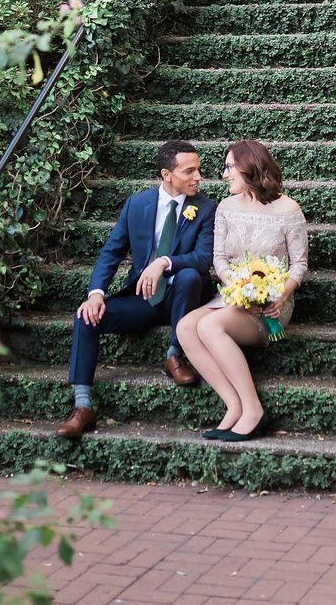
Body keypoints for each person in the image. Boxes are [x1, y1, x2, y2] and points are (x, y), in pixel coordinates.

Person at [55, 139, 216, 439]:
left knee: (190, 276)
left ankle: (174, 354)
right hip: (144, 299)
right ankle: (82, 406)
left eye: (199, 170)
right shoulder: (137, 204)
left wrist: (163, 262)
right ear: (167, 175)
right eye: (189, 171)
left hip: (185, 297)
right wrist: (96, 294)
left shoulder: (205, 208)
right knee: (86, 316)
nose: (198, 178)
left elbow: (204, 258)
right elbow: (111, 253)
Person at [177, 139, 308, 442]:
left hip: (272, 305)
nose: (223, 175)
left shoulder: (288, 209)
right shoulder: (225, 207)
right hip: (233, 297)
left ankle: (253, 409)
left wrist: (280, 296)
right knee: (185, 327)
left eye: (228, 167)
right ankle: (233, 404)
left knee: (209, 326)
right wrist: (237, 289)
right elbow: (219, 259)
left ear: (250, 167)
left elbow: (299, 264)